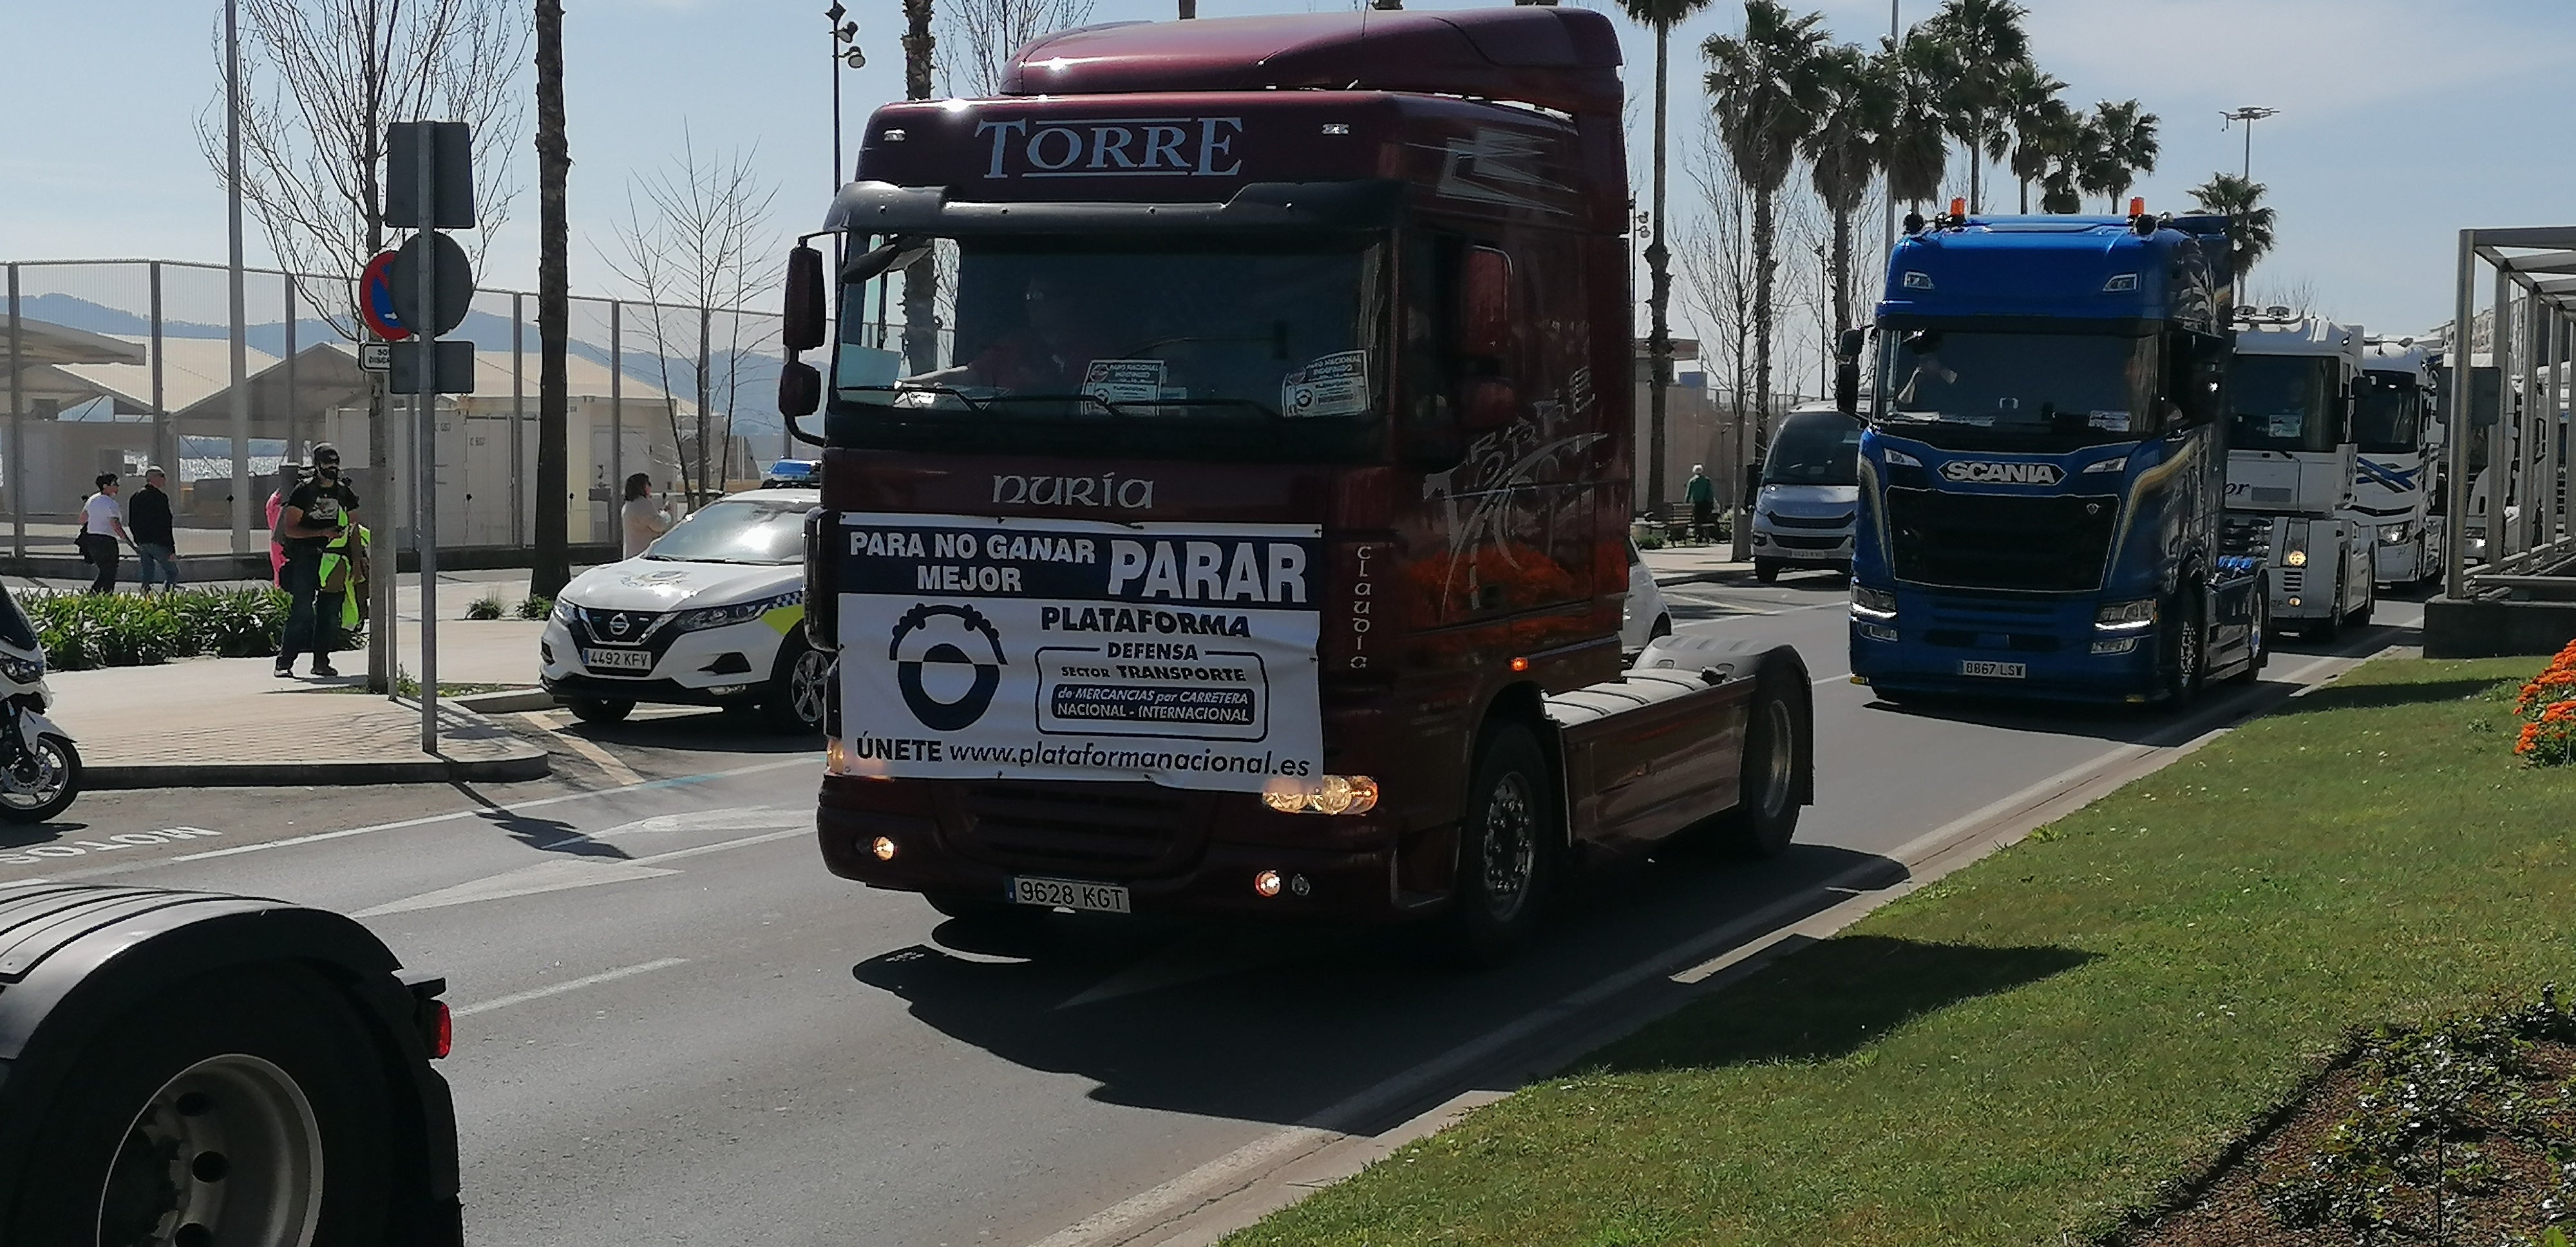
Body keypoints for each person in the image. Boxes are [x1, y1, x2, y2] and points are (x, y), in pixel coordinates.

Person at [274, 444, 360, 679]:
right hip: (306, 559)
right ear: (317, 465)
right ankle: (285, 662)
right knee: (302, 612)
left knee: (330, 614)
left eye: (335, 463)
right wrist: (322, 534)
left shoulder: (344, 492)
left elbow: (354, 526)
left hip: (334, 561)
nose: (332, 468)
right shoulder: (304, 492)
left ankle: (321, 662)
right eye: (327, 463)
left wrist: (357, 562)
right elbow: (290, 529)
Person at [129, 466, 178, 593]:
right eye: (162, 476)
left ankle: (145, 595)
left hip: (143, 541)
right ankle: (168, 596)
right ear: (154, 478)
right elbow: (165, 523)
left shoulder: (136, 496)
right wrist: (171, 548)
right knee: (172, 571)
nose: (165, 479)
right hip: (159, 542)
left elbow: (132, 521)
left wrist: (137, 540)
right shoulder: (161, 497)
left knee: (148, 572)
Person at [79, 473, 129, 595]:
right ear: (106, 486)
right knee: (109, 571)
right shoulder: (111, 504)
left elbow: (82, 519)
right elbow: (115, 525)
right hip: (106, 541)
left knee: (104, 570)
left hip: (92, 539)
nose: (117, 487)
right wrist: (129, 542)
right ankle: (100, 594)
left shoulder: (92, 500)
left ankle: (96, 595)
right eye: (115, 484)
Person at [621, 473, 677, 558]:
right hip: (644, 554)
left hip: (632, 554)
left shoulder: (629, 505)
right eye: (648, 484)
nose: (650, 487)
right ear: (642, 487)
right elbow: (659, 525)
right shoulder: (642, 505)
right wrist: (666, 514)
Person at [1685, 464, 1716, 544]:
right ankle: (1707, 536)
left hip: (1697, 504)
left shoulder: (1692, 481)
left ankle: (1699, 536)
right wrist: (1711, 502)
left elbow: (1688, 494)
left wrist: (1686, 502)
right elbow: (1710, 493)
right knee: (1706, 520)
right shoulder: (1707, 480)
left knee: (1697, 520)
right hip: (1706, 504)